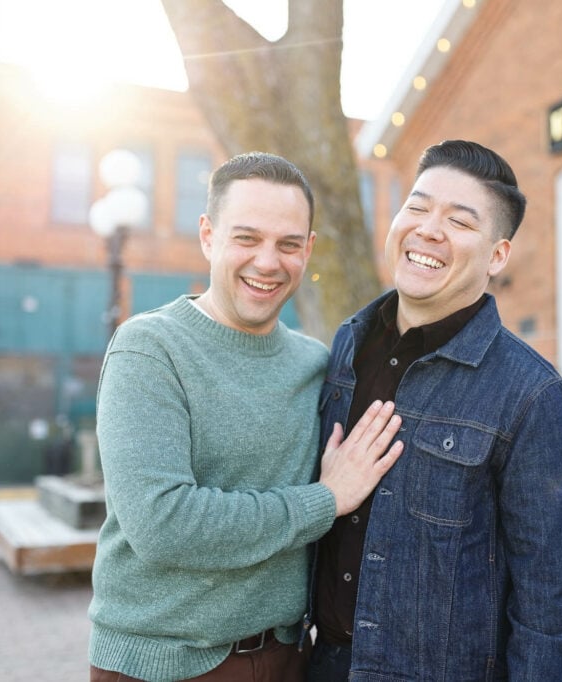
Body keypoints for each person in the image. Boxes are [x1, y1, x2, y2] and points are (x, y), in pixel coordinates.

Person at [88, 151, 405, 682]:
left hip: (288, 658)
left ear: (308, 250)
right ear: (209, 235)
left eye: (287, 244)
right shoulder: (149, 348)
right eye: (247, 238)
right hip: (163, 664)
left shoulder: (316, 364)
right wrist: (324, 500)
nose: (267, 262)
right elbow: (162, 524)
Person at [306, 140, 562, 680]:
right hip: (322, 665)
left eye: (460, 222)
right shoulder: (348, 344)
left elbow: (550, 603)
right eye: (417, 207)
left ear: (498, 255)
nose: (428, 230)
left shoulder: (532, 394)